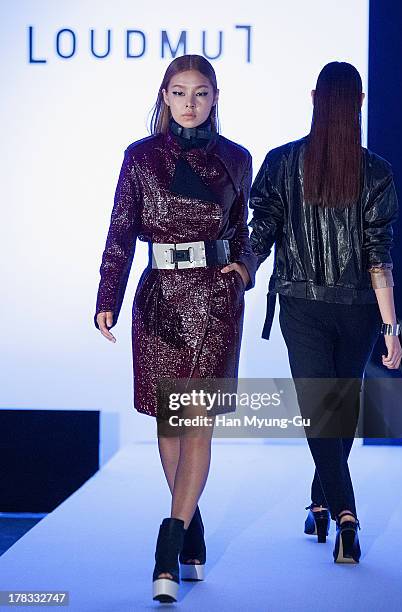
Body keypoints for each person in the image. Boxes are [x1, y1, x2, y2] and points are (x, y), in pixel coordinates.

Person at [94, 54, 257, 602]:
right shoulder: (139, 158)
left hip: (214, 300)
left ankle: (168, 544)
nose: (191, 103)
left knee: (197, 422)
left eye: (202, 93)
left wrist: (245, 268)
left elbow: (242, 229)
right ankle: (192, 528)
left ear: (215, 98)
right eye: (180, 92)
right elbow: (120, 231)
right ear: (164, 96)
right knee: (170, 424)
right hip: (160, 298)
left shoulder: (237, 158)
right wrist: (106, 297)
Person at [248, 61, 402, 564]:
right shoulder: (376, 170)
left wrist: (240, 265)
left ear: (315, 98)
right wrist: (391, 329)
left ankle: (339, 514)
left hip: (300, 305)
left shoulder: (281, 162)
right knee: (337, 407)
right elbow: (379, 257)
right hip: (359, 309)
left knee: (323, 409)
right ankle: (336, 509)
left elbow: (262, 230)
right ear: (359, 102)